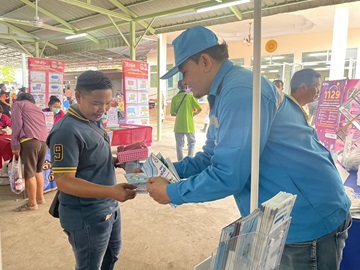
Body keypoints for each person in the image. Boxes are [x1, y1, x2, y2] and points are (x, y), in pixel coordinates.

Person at [146, 26, 351, 269]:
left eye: (184, 72)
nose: (184, 82)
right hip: (281, 215)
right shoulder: (222, 93)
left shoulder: (241, 91)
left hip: (306, 216)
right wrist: (169, 170)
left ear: (204, 61)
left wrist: (172, 193)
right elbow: (211, 156)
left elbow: (228, 175)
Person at [46, 70, 137, 270]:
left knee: (111, 257)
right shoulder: (66, 131)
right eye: (96, 103)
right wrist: (111, 191)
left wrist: (118, 160)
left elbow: (90, 158)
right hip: (87, 216)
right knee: (89, 266)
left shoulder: (93, 120)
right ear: (77, 96)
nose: (103, 109)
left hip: (108, 207)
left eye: (107, 103)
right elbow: (64, 181)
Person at [11, 93, 48, 211]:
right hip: (43, 142)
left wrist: (15, 144)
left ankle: (32, 204)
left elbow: (17, 125)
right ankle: (40, 198)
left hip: (29, 141)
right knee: (38, 170)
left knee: (29, 173)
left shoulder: (18, 105)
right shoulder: (38, 109)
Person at [171, 79, 202, 161]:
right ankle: (189, 160)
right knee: (191, 143)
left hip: (178, 126)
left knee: (179, 145)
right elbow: (199, 109)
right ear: (186, 86)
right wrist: (192, 115)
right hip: (189, 125)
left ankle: (180, 161)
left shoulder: (174, 98)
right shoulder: (190, 96)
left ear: (178, 87)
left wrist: (180, 113)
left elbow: (172, 113)